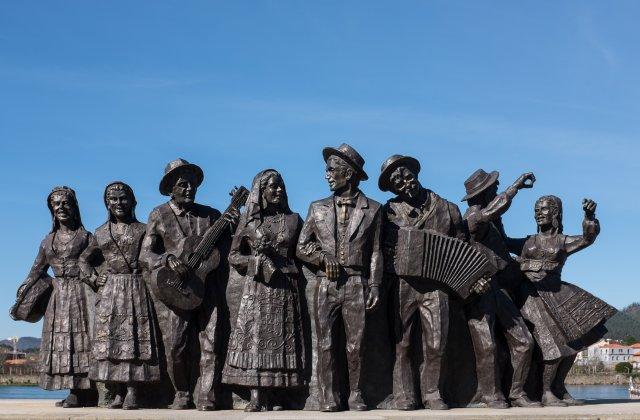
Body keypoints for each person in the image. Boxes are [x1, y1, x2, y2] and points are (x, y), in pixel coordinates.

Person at [140, 158, 239, 410]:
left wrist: (235, 226)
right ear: (170, 188)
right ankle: (182, 393)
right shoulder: (159, 214)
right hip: (175, 288)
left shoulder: (212, 215)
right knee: (176, 346)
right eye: (183, 185)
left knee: (212, 343)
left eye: (193, 185)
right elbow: (145, 254)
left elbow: (230, 249)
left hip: (207, 288)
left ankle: (207, 395)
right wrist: (168, 258)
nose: (189, 189)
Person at [296, 143, 382, 412]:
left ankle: (355, 394)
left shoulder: (374, 209)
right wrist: (322, 257)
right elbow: (301, 246)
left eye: (332, 170)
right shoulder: (317, 207)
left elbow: (376, 251)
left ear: (349, 173)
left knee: (356, 344)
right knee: (325, 343)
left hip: (357, 282)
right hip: (325, 283)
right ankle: (328, 396)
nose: (327, 175)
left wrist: (375, 284)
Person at [378, 155, 466, 411]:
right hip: (403, 285)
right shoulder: (388, 212)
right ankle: (404, 395)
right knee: (402, 343)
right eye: (396, 182)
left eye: (406, 175)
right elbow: (379, 248)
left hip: (437, 286)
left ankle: (433, 393)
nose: (404, 183)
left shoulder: (448, 208)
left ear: (415, 173)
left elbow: (461, 246)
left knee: (437, 343)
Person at [514, 196, 616, 406]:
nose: (539, 213)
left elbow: (588, 238)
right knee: (553, 345)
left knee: (576, 342)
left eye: (543, 209)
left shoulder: (563, 241)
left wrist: (589, 217)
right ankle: (546, 392)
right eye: (536, 210)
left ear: (556, 213)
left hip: (557, 293)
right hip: (531, 296)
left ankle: (559, 387)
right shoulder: (527, 242)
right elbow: (498, 239)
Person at [222, 169, 305, 411]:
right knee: (256, 340)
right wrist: (255, 263)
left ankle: (277, 394)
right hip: (257, 287)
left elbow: (301, 251)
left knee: (282, 340)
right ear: (261, 191)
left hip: (285, 286)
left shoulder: (294, 219)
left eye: (281, 186)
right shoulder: (248, 223)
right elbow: (234, 255)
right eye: (272, 186)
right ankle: (257, 394)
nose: (278, 190)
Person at [461, 169, 541, 408]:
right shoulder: (473, 216)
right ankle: (490, 395)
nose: (497, 189)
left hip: (500, 288)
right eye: (493, 187)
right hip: (479, 291)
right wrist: (515, 186)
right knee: (487, 345)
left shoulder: (493, 220)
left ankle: (516, 393)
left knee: (525, 342)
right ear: (484, 193)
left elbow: (504, 246)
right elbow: (495, 208)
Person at [80, 182, 160, 409]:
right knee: (112, 342)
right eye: (113, 199)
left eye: (123, 198)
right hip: (111, 290)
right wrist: (94, 279)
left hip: (136, 286)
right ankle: (117, 392)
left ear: (133, 202)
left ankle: (133, 391)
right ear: (107, 203)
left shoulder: (143, 229)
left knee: (134, 341)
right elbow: (84, 259)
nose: (118, 203)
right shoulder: (101, 233)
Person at [18, 186, 94, 407]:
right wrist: (25, 286)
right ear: (51, 209)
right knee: (62, 343)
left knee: (80, 341)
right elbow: (37, 269)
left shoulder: (86, 237)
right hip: (58, 296)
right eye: (56, 204)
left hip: (80, 293)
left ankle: (83, 392)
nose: (61, 207)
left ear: (74, 206)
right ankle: (74, 390)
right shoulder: (47, 240)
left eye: (65, 202)